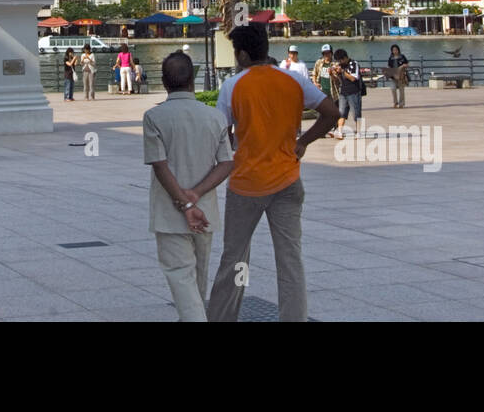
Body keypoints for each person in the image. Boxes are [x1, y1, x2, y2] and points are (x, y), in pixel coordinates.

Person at [207, 25, 340, 323]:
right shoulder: (294, 80)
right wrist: (302, 142)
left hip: (246, 184)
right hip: (288, 181)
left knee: (234, 259)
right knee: (290, 259)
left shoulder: (232, 86)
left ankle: (221, 318)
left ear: (241, 54)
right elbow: (331, 113)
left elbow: (220, 134)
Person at [142, 52, 234, 321]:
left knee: (181, 276)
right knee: (197, 278)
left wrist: (185, 203)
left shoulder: (154, 117)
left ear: (164, 82)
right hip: (204, 211)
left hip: (170, 213)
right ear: (193, 80)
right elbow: (226, 163)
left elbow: (160, 165)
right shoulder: (214, 117)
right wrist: (195, 196)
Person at [332, 48, 364, 137]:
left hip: (354, 92)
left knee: (356, 113)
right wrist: (333, 73)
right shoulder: (340, 65)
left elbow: (353, 78)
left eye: (341, 60)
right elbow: (338, 80)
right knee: (341, 113)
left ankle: (358, 132)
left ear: (345, 57)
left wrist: (342, 71)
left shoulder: (354, 64)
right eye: (338, 61)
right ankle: (339, 131)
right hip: (343, 92)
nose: (340, 62)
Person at [386, 44, 410, 109]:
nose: (395, 51)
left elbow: (407, 64)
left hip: (401, 76)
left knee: (401, 90)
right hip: (393, 76)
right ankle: (395, 102)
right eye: (393, 50)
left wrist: (403, 66)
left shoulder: (402, 57)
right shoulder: (390, 58)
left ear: (398, 50)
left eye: (396, 50)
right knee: (393, 89)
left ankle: (401, 103)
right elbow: (389, 66)